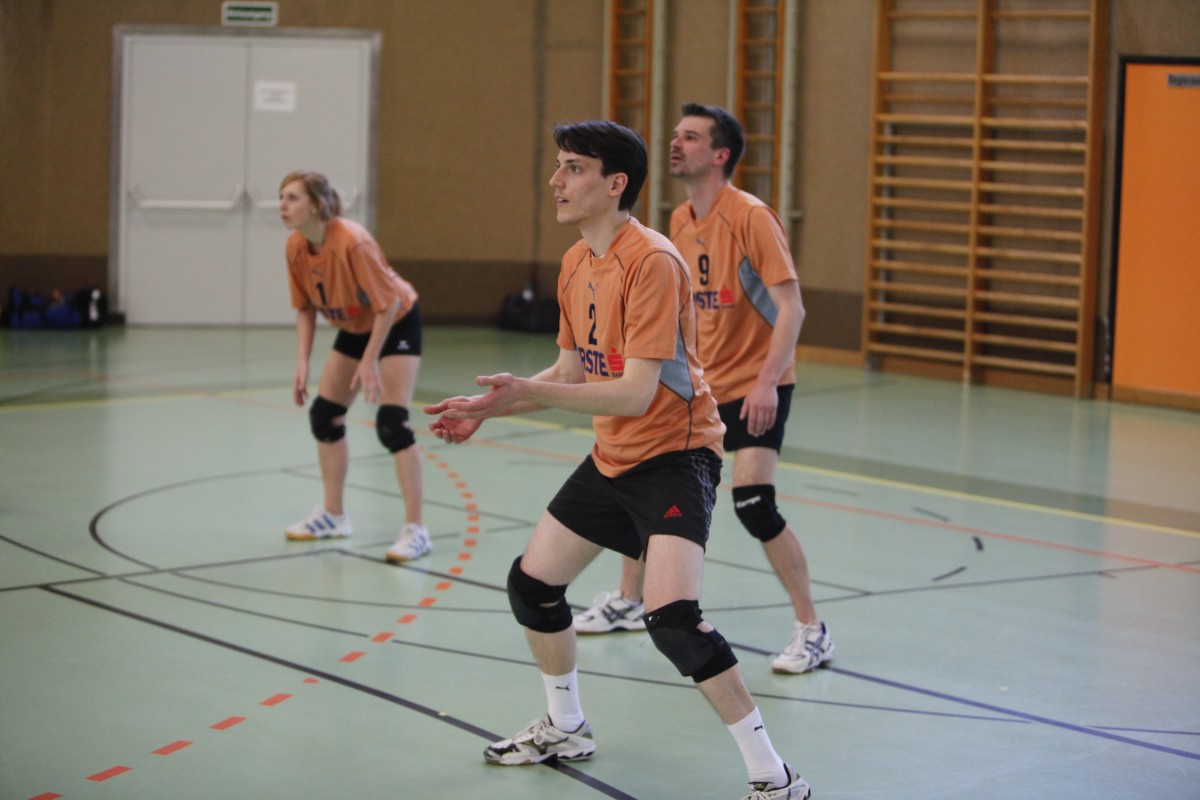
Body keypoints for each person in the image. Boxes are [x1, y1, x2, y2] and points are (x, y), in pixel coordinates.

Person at [425, 121, 810, 800]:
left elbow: (635, 392)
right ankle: (565, 726)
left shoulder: (652, 260)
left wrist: (528, 394)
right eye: (559, 166)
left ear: (615, 184)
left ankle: (774, 779)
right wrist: (488, 408)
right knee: (532, 586)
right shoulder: (577, 262)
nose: (557, 180)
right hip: (613, 456)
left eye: (573, 168)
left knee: (673, 620)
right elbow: (571, 371)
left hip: (676, 458)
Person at [573, 104, 834, 676]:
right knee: (643, 479)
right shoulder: (679, 219)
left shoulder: (751, 217)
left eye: (689, 137)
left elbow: (791, 308)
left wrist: (767, 383)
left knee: (755, 503)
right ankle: (629, 598)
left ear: (720, 155)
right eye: (675, 135)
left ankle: (812, 629)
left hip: (758, 385)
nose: (675, 143)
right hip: (702, 390)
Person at [278, 170, 431, 563]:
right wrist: (302, 363)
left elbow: (388, 304)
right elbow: (304, 308)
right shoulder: (295, 246)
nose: (282, 205)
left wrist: (368, 362)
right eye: (282, 197)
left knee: (392, 424)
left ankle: (416, 530)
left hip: (395, 320)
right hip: (355, 324)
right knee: (325, 415)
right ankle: (333, 515)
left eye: (292, 197)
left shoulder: (352, 241)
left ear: (317, 205)